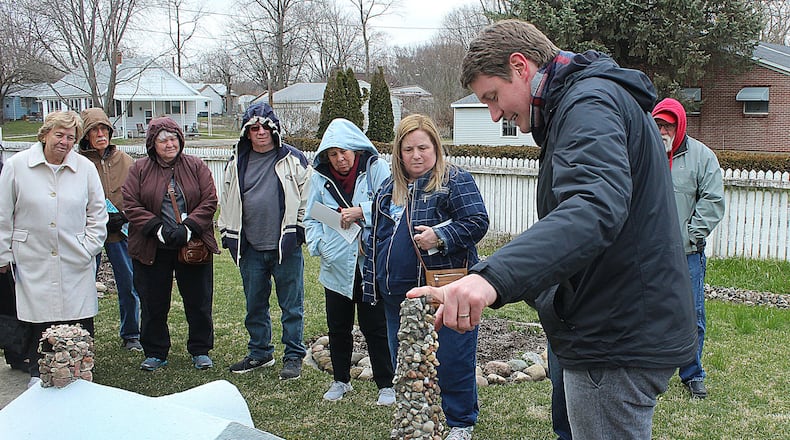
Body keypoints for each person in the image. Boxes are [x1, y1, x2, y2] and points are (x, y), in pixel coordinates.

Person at [407, 20, 698, 440]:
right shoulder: (584, 105)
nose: (493, 115)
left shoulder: (588, 104)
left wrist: (489, 279)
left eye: (492, 96)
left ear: (521, 66)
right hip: (611, 326)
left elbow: (592, 209)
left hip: (613, 339)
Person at [362, 114, 489, 440]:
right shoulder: (388, 188)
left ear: (435, 146)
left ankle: (461, 423)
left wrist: (441, 236)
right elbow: (376, 236)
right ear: (398, 153)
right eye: (408, 149)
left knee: (453, 359)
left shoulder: (454, 180)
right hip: (398, 297)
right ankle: (415, 421)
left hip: (443, 290)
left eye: (423, 147)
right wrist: (373, 281)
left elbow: (477, 221)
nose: (416, 155)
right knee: (406, 363)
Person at [0, 111, 108, 387]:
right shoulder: (17, 166)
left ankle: (80, 374)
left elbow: (98, 212)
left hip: (75, 256)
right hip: (32, 257)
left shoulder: (84, 168)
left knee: (77, 318)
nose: (65, 142)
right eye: (59, 135)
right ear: (45, 134)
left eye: (71, 137)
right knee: (38, 320)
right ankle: (39, 376)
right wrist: (3, 254)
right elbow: (3, 215)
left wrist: (89, 247)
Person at [218, 102, 312, 380]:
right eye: (253, 128)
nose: (260, 132)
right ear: (246, 132)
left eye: (265, 127)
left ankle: (294, 355)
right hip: (251, 248)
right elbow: (227, 200)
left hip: (286, 247)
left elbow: (309, 195)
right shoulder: (236, 163)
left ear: (275, 129)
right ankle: (260, 353)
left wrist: (300, 231)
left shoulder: (293, 159)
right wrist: (227, 231)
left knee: (291, 306)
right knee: (254, 305)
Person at [304, 118, 395, 404]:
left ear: (355, 149)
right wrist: (321, 247)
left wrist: (361, 212)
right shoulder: (320, 177)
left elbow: (393, 205)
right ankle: (340, 381)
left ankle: (386, 384)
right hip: (335, 264)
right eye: (332, 154)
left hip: (369, 263)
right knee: (338, 326)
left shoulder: (376, 169)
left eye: (344, 152)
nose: (340, 159)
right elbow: (311, 217)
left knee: (376, 327)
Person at [122, 116, 218, 371]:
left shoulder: (196, 166)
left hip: (192, 245)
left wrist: (189, 228)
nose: (169, 144)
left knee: (198, 301)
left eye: (173, 138)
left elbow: (209, 200)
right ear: (152, 143)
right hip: (152, 247)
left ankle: (200, 349)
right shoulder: (139, 169)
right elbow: (130, 203)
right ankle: (155, 351)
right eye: (162, 140)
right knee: (153, 303)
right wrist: (157, 229)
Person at [652, 98, 725, 399]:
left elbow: (712, 200)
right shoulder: (643, 153)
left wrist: (691, 235)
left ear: (679, 125)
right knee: (648, 312)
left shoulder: (702, 157)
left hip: (687, 255)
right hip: (648, 255)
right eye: (657, 124)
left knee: (691, 315)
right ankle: (651, 369)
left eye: (668, 125)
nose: (662, 131)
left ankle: (692, 373)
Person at [78, 107, 142, 352]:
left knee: (128, 283)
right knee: (83, 285)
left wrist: (125, 216)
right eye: (94, 130)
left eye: (104, 128)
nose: (100, 134)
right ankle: (82, 334)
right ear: (86, 135)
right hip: (88, 232)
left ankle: (131, 334)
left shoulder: (124, 160)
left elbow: (139, 193)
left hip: (120, 231)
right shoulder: (79, 163)